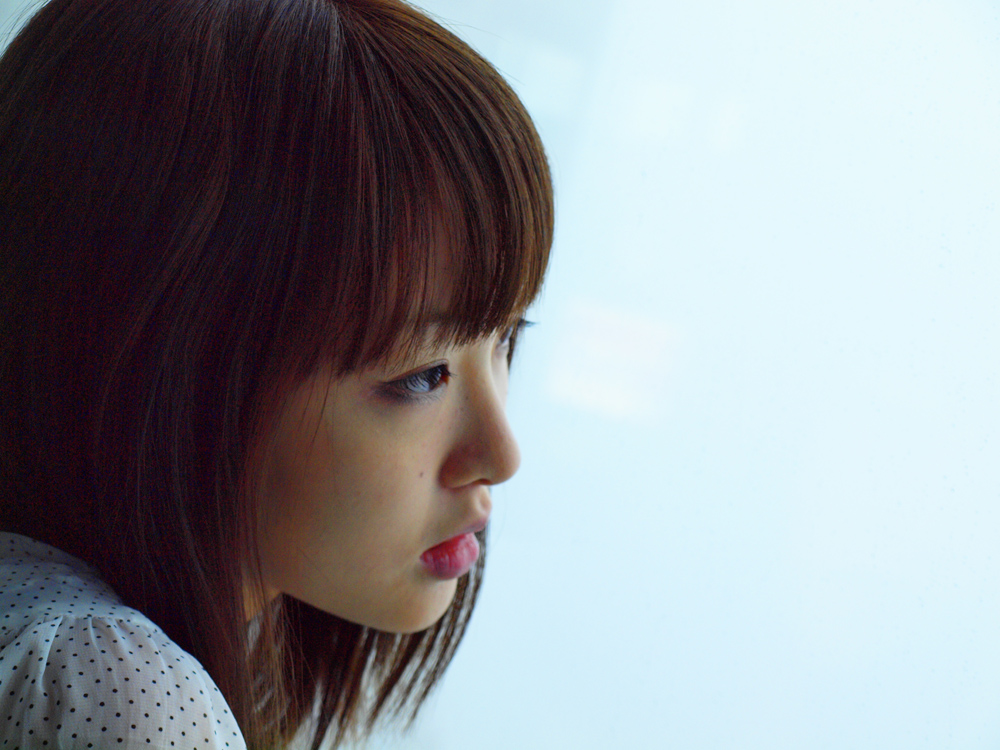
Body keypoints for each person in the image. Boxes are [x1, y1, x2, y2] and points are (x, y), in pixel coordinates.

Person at [0, 0, 553, 746]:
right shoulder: (114, 688)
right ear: (174, 376)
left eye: (507, 337)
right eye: (421, 376)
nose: (501, 454)